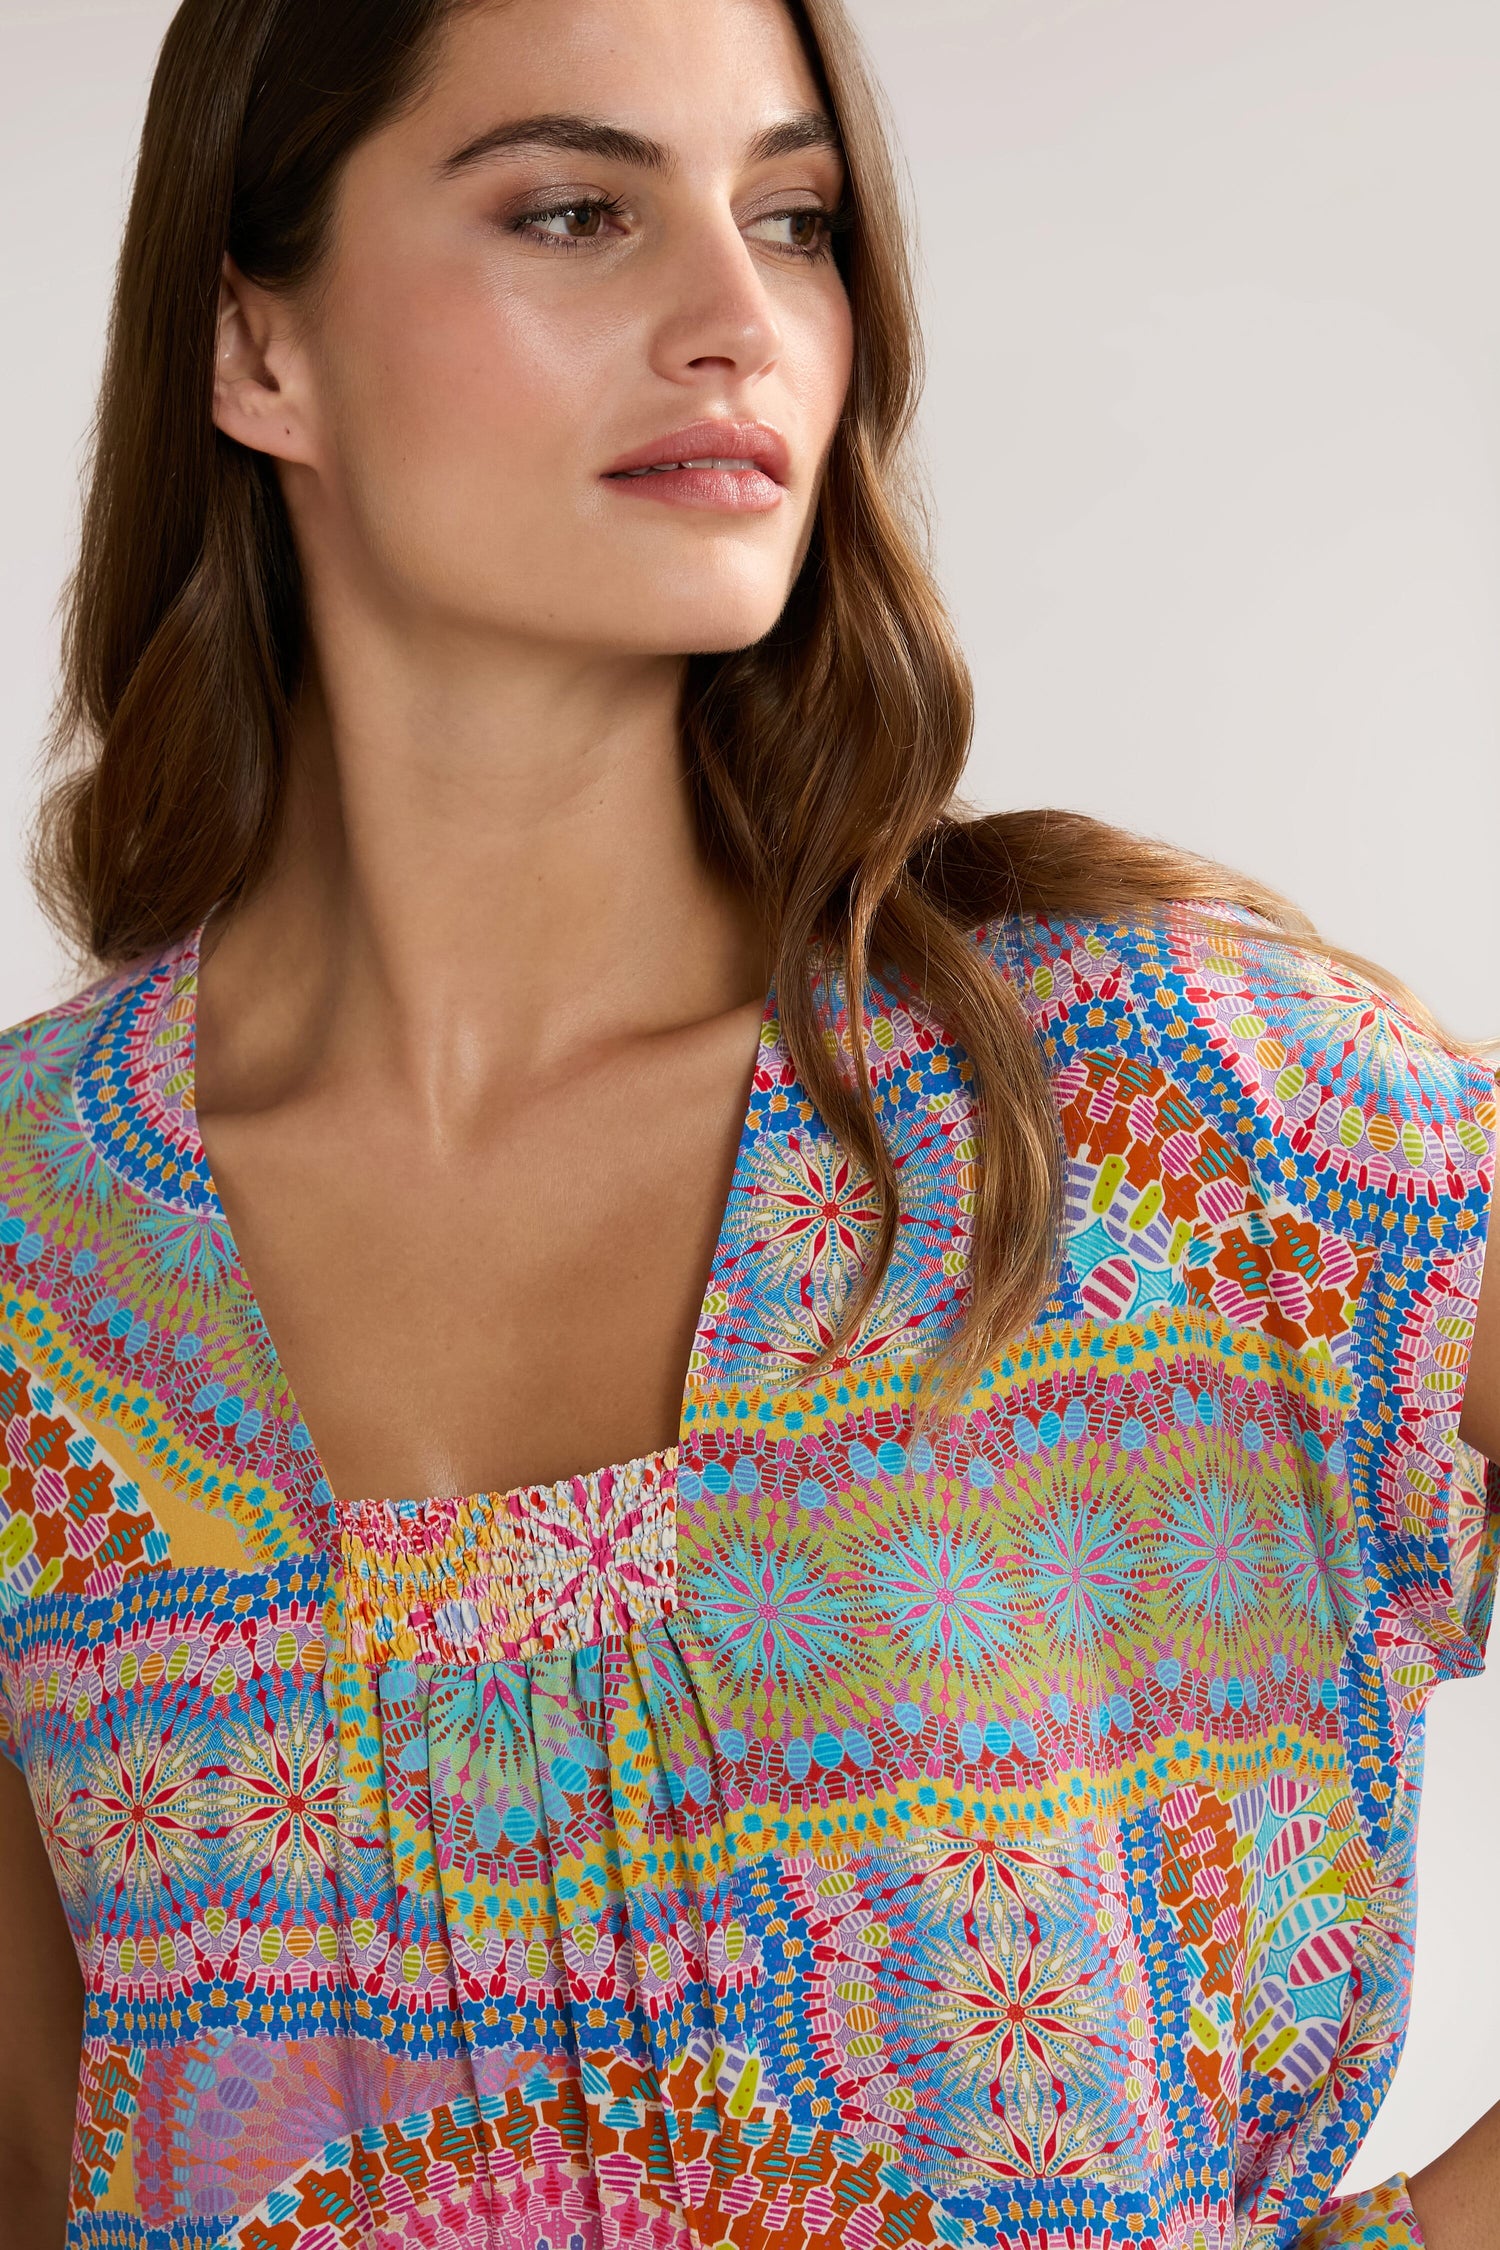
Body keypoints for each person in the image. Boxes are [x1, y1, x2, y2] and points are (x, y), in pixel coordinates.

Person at [0, 0, 1496, 2245]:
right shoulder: (32, 1254)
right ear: (255, 348)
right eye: (581, 210)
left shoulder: (1172, 1107)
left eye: (794, 221)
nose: (740, 323)